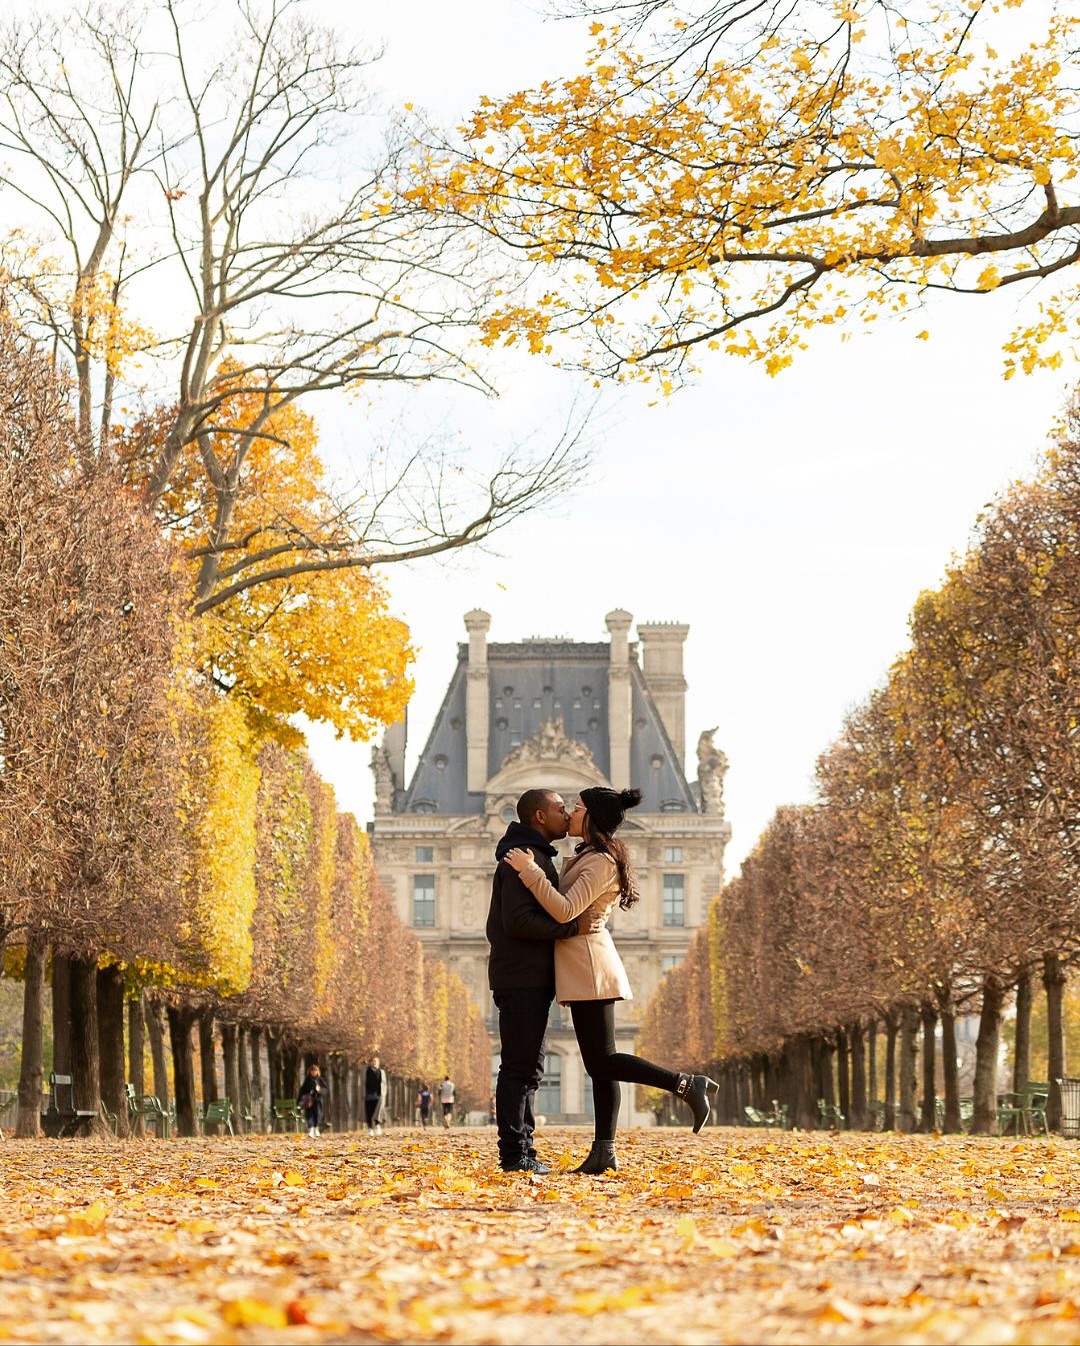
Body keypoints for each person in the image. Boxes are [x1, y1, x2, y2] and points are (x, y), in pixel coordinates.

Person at [505, 785, 718, 1174]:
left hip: (589, 965)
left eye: (577, 807)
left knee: (603, 1060)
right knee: (601, 1064)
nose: (569, 813)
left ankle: (686, 1085)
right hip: (581, 963)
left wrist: (531, 871)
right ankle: (604, 1151)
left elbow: (567, 909)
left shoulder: (600, 860)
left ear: (592, 817)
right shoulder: (589, 855)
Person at [487, 788, 580, 1173]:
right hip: (522, 977)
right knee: (519, 1068)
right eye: (561, 809)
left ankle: (523, 1149)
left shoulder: (532, 854)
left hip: (525, 975)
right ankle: (515, 1154)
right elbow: (517, 921)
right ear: (540, 817)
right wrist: (569, 927)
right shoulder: (523, 858)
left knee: (527, 1068)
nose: (567, 814)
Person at [297, 1061, 329, 1138]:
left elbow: (325, 1090)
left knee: (318, 1115)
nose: (313, 1072)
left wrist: (319, 1090)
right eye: (312, 1071)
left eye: (315, 1071)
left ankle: (316, 1129)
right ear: (310, 1072)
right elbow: (302, 1090)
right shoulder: (307, 1080)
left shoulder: (320, 1080)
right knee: (309, 1115)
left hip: (318, 1100)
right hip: (309, 1101)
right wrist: (299, 1101)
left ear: (317, 1071)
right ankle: (311, 1129)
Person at [364, 1055, 388, 1135]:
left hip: (378, 1095)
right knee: (369, 1112)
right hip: (368, 1095)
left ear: (378, 1063)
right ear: (370, 1063)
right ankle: (370, 1129)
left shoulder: (381, 1072)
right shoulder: (366, 1071)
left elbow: (384, 1084)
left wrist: (383, 1094)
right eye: (372, 1061)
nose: (374, 1063)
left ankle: (378, 1126)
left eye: (376, 1061)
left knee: (378, 1112)